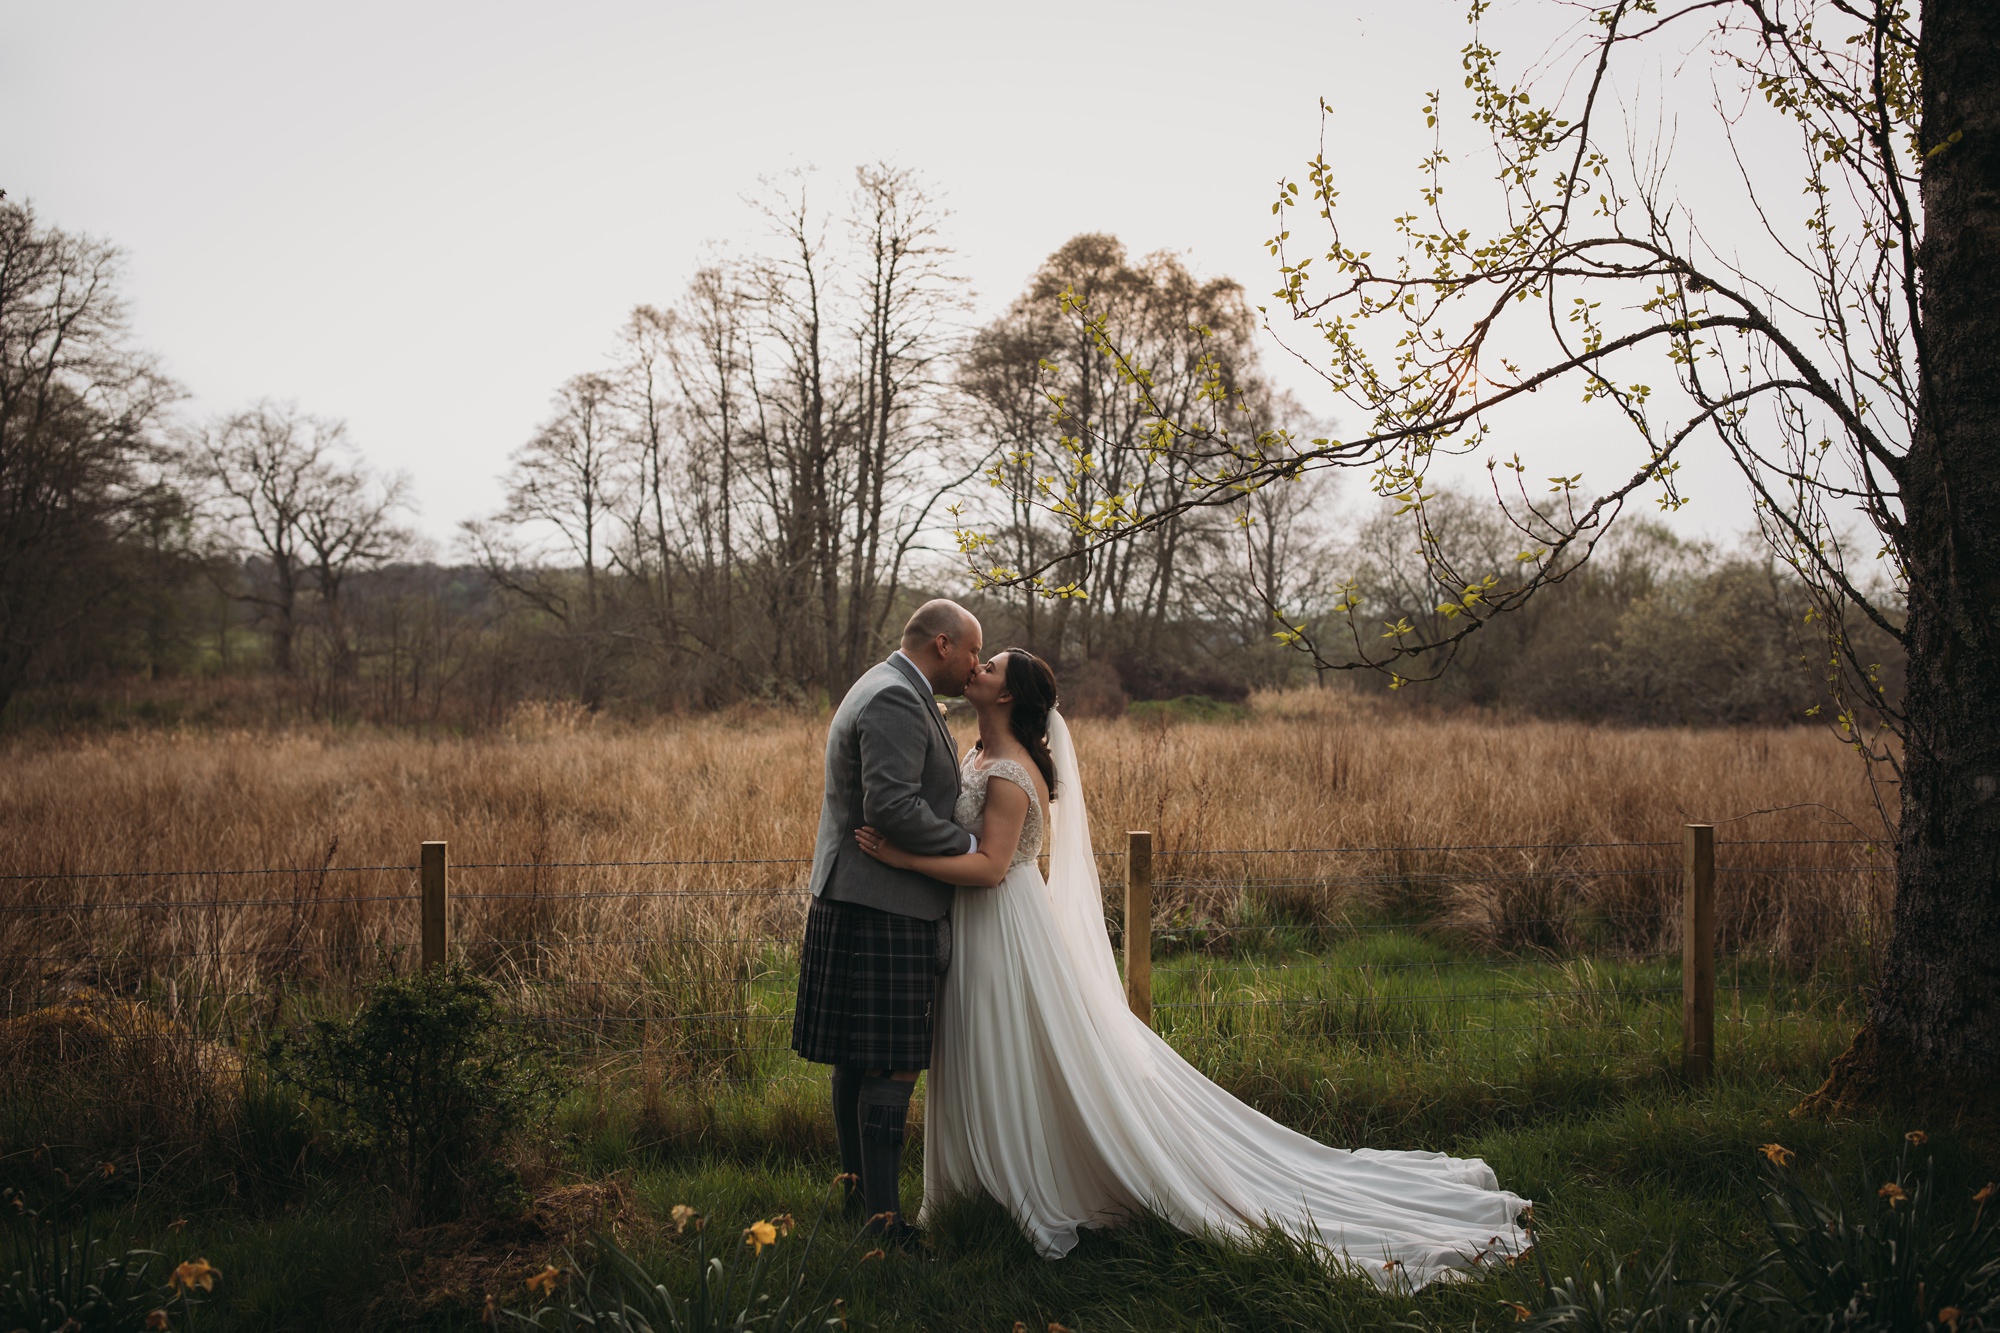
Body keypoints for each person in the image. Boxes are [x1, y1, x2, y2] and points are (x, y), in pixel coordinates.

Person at [854, 649, 1530, 1289]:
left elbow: (991, 865)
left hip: (1004, 924)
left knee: (1009, 1045)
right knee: (984, 1049)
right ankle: (984, 1188)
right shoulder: (977, 752)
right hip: (978, 926)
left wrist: (901, 860)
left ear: (1006, 693)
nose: (977, 666)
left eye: (991, 664)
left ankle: (1028, 1182)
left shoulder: (1009, 770)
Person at [791, 599, 984, 1244]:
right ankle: (883, 1222)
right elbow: (894, 807)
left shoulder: (884, 683)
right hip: (882, 903)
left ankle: (860, 1200)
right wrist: (967, 848)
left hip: (860, 897)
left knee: (857, 1055)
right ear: (941, 644)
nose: (975, 665)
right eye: (972, 652)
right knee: (892, 1061)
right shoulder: (897, 698)